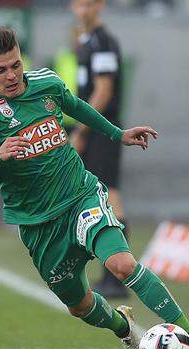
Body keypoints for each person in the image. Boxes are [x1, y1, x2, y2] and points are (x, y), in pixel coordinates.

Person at [0, 27, 189, 349]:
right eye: (0, 70)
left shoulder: (46, 84)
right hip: (39, 225)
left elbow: (77, 107)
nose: (11, 75)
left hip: (80, 195)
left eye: (15, 65)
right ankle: (123, 328)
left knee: (122, 264)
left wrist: (118, 133)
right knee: (79, 305)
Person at [70, 0, 128, 298]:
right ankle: (111, 273)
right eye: (79, 3)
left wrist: (82, 130)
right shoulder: (86, 41)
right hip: (94, 130)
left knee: (109, 192)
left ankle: (117, 277)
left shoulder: (104, 42)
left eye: (89, 4)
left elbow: (103, 90)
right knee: (101, 194)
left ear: (99, 6)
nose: (83, 9)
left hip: (103, 129)